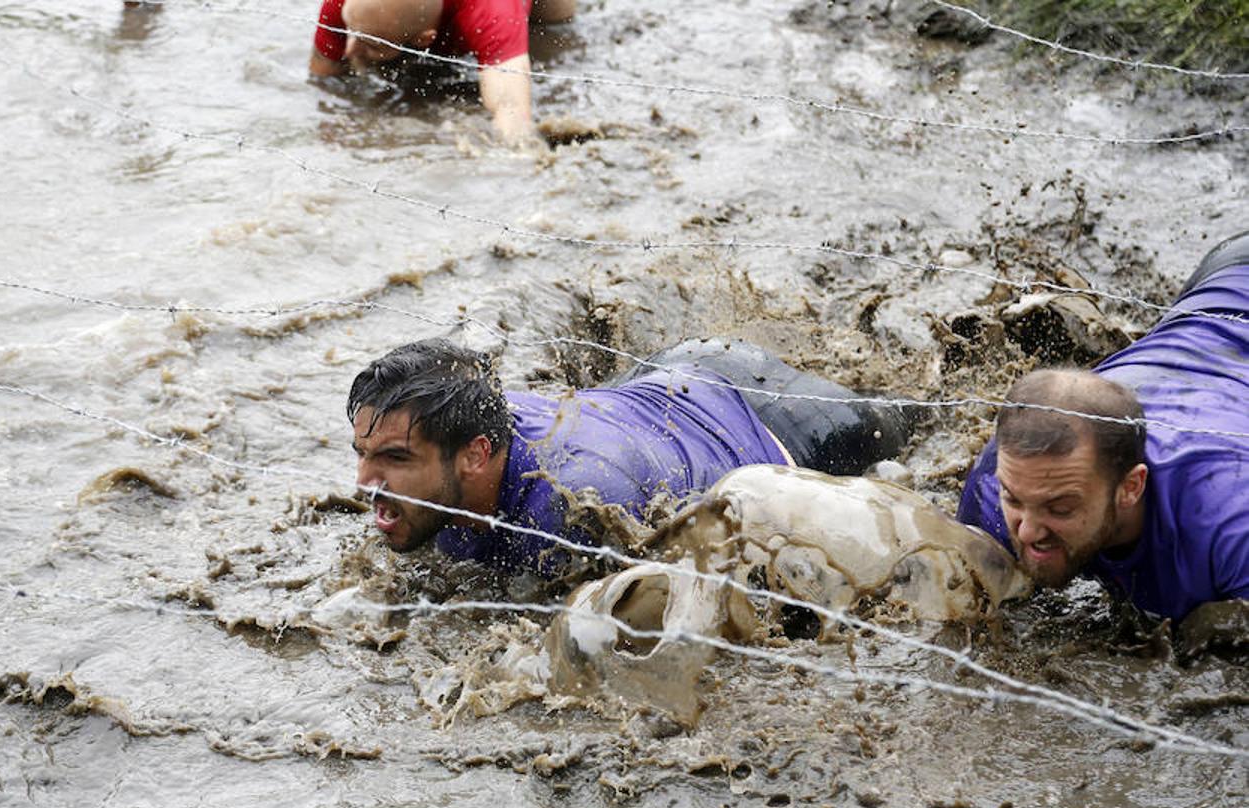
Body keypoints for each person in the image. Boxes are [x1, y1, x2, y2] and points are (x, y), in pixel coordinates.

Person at [348, 337, 912, 575]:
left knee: (914, 421)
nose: (365, 483)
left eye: (395, 459)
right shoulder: (452, 433)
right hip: (653, 385)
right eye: (362, 455)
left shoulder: (576, 513)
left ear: (475, 454)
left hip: (765, 416)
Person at [957, 231, 1249, 632]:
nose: (1026, 531)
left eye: (1060, 508)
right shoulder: (994, 489)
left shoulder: (1228, 524)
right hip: (1217, 294)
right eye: (1016, 500)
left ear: (1131, 487)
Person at [309, 0, 575, 145]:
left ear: (426, 39)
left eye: (370, 41)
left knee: (555, 31)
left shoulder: (493, 12)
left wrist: (519, 164)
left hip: (495, 12)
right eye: (349, 31)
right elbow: (322, 77)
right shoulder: (345, 6)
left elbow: (512, 112)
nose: (348, 48)